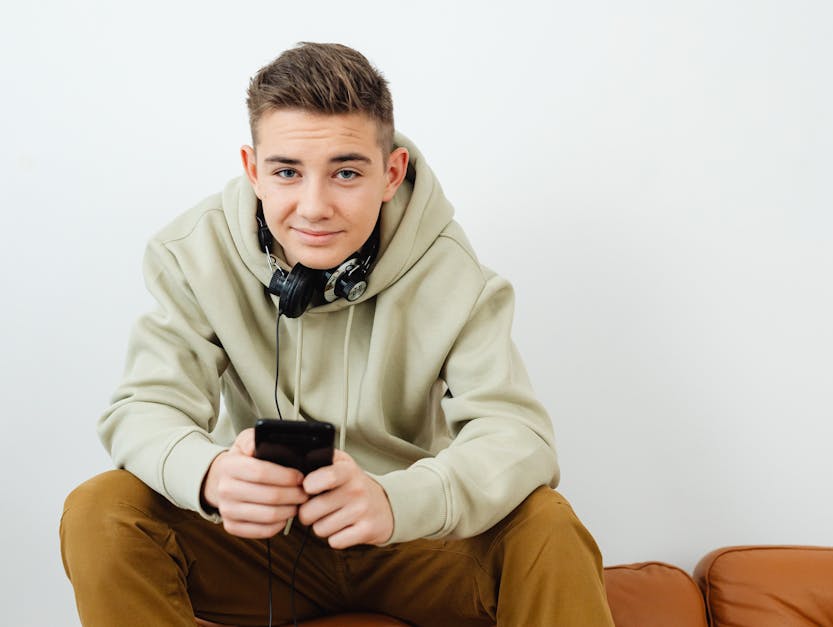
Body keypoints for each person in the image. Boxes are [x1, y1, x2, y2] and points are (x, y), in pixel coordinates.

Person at [60, 42, 614, 627]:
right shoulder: (192, 254)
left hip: (409, 542)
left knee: (547, 520)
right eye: (286, 172)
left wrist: (395, 503)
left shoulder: (457, 276)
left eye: (346, 172)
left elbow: (519, 435)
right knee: (103, 509)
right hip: (261, 550)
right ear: (253, 172)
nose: (314, 206)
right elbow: (144, 406)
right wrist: (212, 476)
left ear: (391, 173)